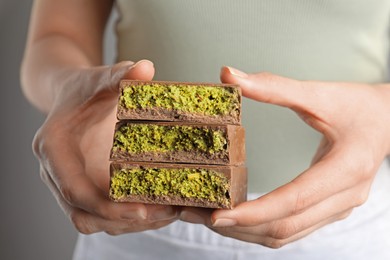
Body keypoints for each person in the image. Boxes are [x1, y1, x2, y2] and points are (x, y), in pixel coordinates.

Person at [21, 0, 390, 259]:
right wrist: (66, 89)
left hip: (349, 223)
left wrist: (381, 113)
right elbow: (56, 36)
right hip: (140, 226)